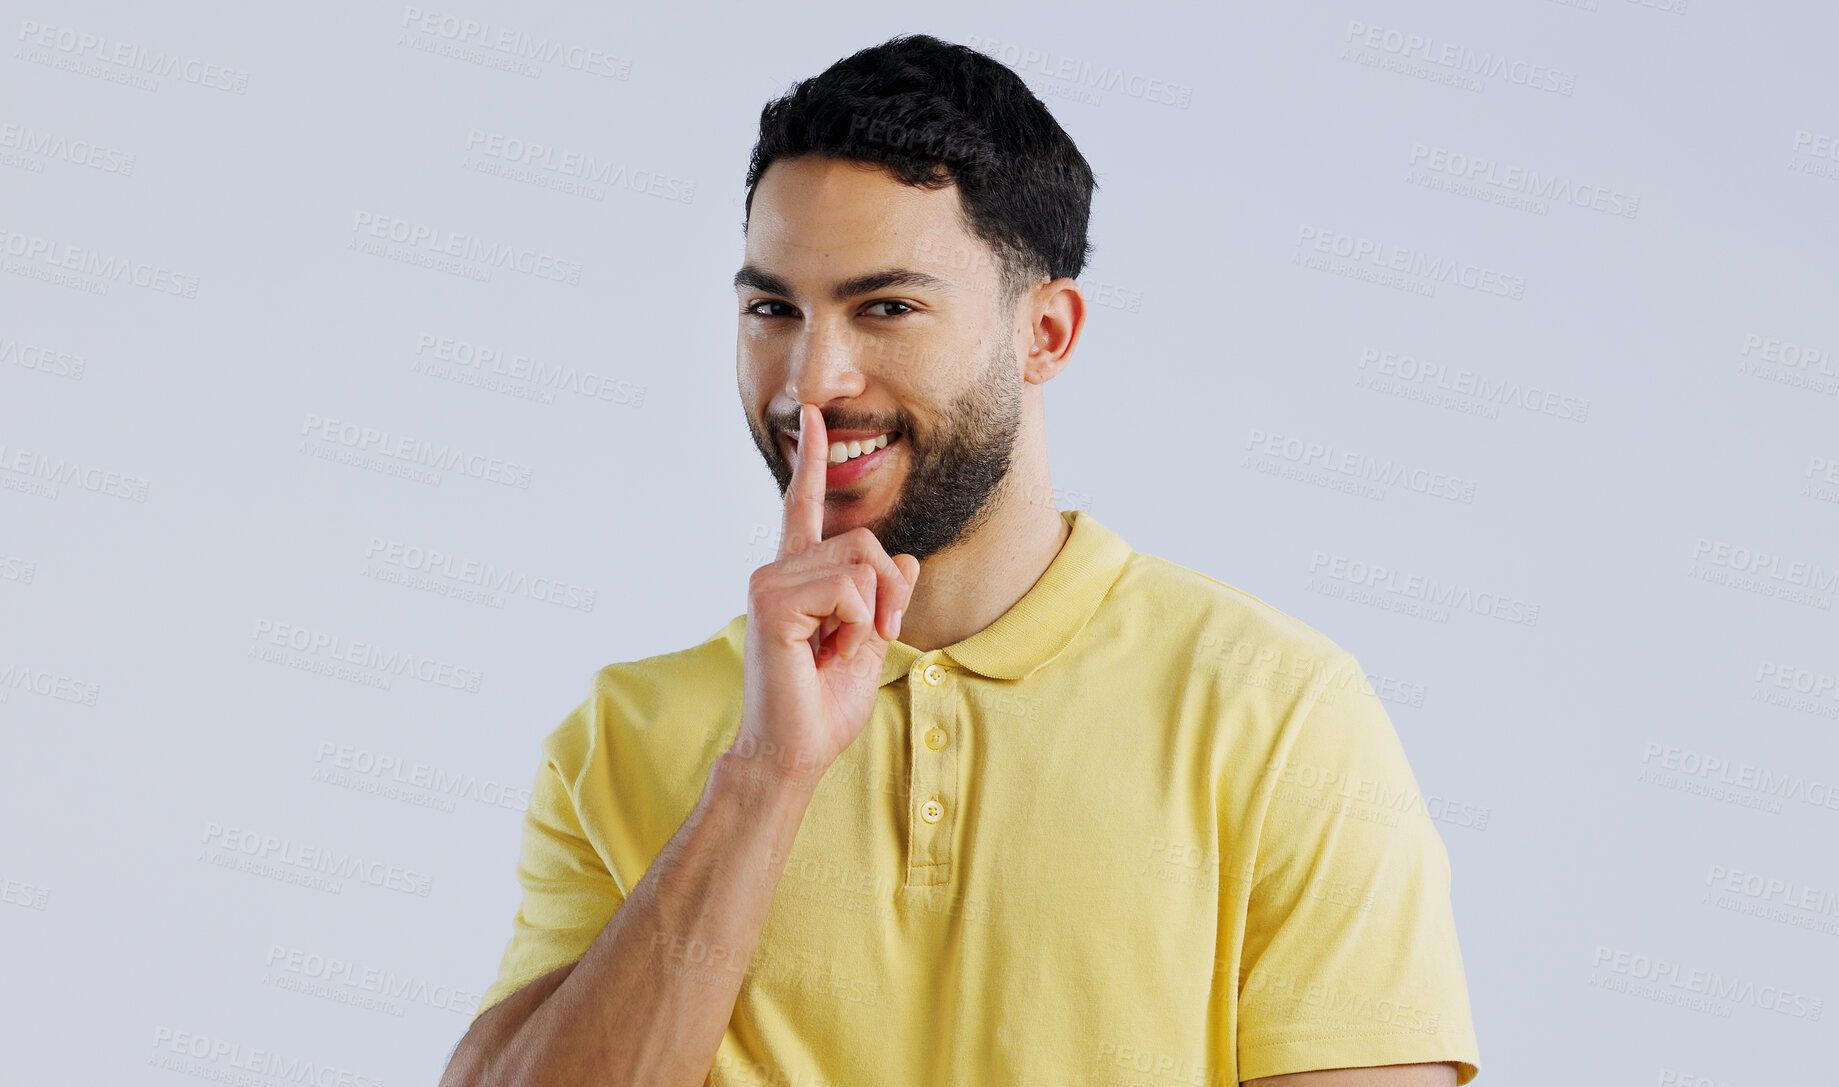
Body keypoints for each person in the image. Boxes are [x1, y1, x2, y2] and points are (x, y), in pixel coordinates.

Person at [440, 33, 1481, 1087]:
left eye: (885, 306)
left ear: (1047, 334)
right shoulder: (619, 738)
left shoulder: (1278, 711)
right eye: (773, 310)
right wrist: (763, 779)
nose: (813, 381)